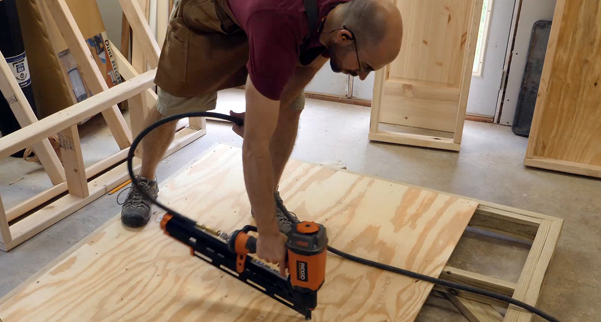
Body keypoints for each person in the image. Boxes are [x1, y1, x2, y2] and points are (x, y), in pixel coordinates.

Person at [121, 0, 403, 272]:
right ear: (344, 36)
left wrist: (268, 109)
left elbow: (310, 63)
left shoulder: (342, 15)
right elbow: (254, 147)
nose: (362, 77)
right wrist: (267, 235)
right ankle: (145, 180)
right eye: (365, 66)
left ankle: (267, 197)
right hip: (211, 15)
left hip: (264, 17)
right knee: (174, 101)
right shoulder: (279, 21)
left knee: (290, 105)